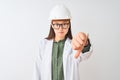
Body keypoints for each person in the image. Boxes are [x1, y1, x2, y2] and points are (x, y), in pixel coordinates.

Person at [33, 4, 93, 80]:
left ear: (69, 25)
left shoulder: (73, 45)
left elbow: (84, 55)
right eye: (57, 24)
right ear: (52, 25)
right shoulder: (43, 45)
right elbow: (37, 69)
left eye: (64, 24)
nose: (60, 28)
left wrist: (85, 43)